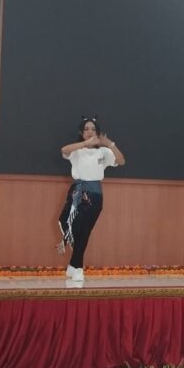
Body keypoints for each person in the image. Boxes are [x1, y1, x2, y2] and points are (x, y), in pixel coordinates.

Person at [57, 116, 126, 282]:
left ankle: (75, 267)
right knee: (71, 225)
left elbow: (121, 161)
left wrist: (109, 144)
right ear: (82, 132)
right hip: (78, 193)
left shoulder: (103, 152)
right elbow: (64, 150)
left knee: (85, 231)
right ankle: (77, 266)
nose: (90, 132)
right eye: (86, 129)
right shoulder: (77, 150)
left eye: (93, 129)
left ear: (98, 133)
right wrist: (84, 144)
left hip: (95, 194)